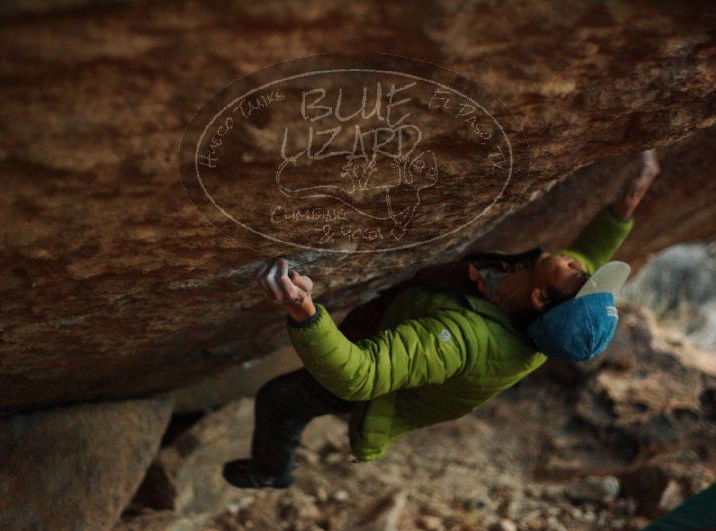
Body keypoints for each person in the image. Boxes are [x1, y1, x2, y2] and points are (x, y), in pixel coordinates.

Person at [223, 149, 661, 489]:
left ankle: (272, 472)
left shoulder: (462, 340)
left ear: (541, 298)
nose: (576, 263)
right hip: (408, 326)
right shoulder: (548, 317)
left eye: (577, 276)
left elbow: (360, 376)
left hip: (382, 389)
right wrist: (624, 207)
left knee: (280, 400)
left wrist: (304, 312)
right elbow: (590, 255)